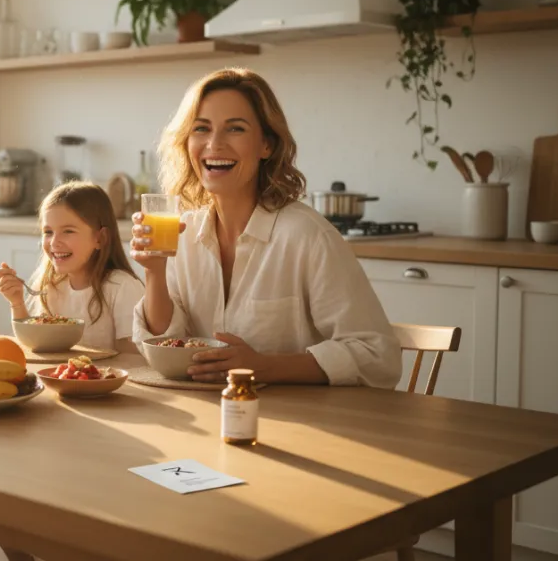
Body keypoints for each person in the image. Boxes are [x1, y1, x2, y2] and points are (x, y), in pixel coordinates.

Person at [130, 67, 401, 388]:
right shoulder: (182, 233)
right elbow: (167, 348)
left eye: (236, 129)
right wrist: (154, 272)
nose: (214, 144)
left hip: (304, 423)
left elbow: (378, 356)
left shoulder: (307, 236)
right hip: (210, 416)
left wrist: (266, 367)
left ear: (267, 146)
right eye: (201, 129)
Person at [0, 181, 145, 354]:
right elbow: (36, 344)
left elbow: (132, 362)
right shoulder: (51, 285)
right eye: (48, 232)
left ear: (100, 238)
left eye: (68, 231)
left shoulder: (122, 287)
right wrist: (17, 303)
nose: (54, 242)